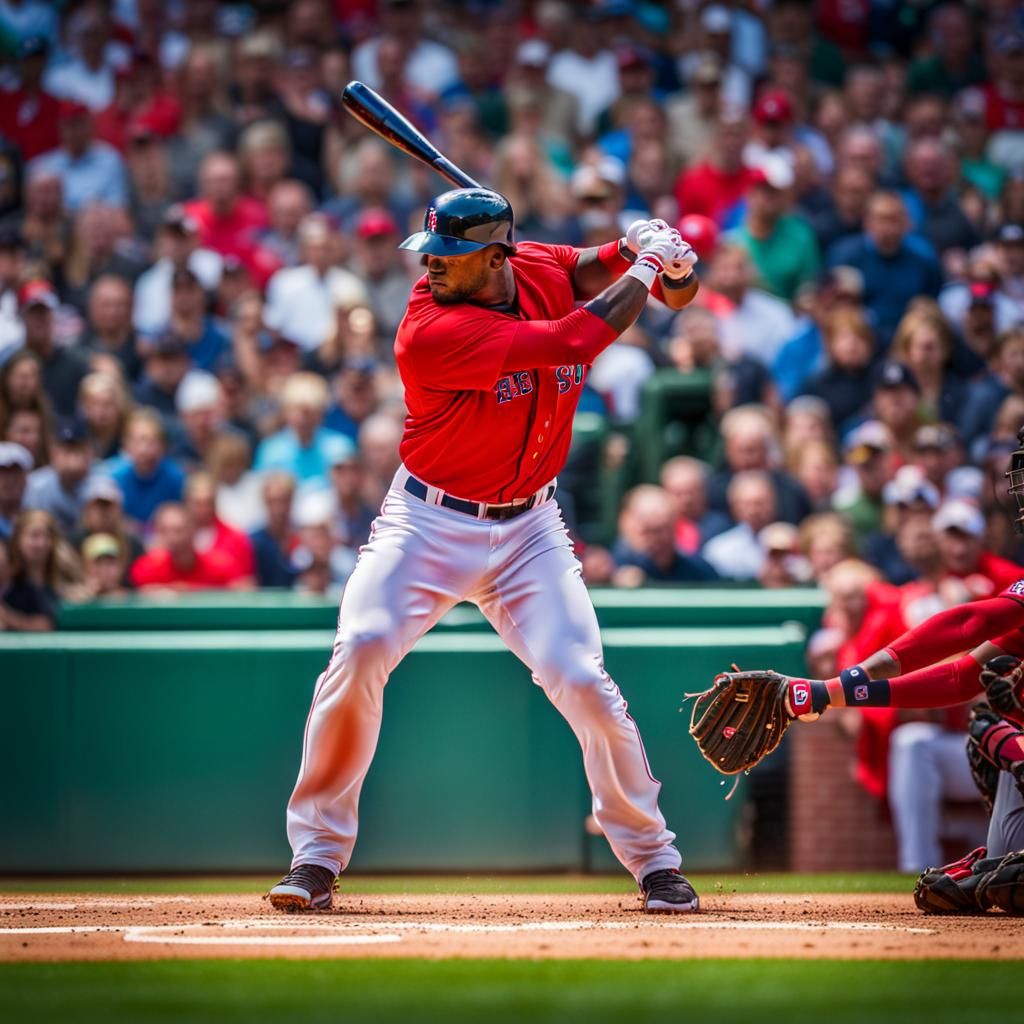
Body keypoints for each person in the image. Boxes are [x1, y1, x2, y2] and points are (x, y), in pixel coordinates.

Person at [268, 190, 704, 915]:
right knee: (363, 645)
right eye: (429, 252)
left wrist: (645, 251)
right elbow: (575, 340)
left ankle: (655, 859)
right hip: (428, 522)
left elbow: (609, 272)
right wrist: (653, 264)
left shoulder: (538, 266)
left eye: (451, 255)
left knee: (582, 679)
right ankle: (315, 855)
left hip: (531, 526)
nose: (433, 265)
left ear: (497, 257)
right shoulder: (429, 328)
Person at [1, 507, 62, 631]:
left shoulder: (57, 580)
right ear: (18, 539)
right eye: (34, 536)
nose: (41, 543)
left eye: (47, 537)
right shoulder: (8, 580)